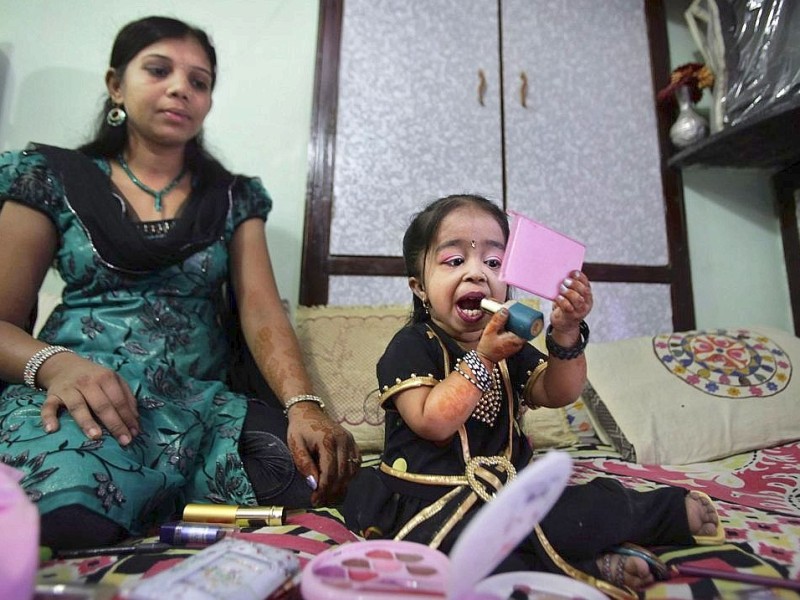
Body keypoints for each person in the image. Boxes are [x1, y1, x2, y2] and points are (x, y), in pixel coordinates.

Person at [0, 16, 360, 550]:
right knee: (69, 501)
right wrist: (57, 365)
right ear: (116, 85)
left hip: (199, 402)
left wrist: (303, 404)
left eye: (199, 81)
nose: (180, 89)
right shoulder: (52, 177)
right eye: (159, 70)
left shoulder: (232, 197)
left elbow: (260, 310)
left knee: (305, 475)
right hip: (83, 386)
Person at [342, 194, 720, 596]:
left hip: (509, 494)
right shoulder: (412, 345)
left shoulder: (510, 345)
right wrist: (481, 359)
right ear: (419, 287)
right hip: (432, 498)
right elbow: (433, 422)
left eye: (493, 263)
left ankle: (656, 514)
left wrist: (567, 333)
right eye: (455, 261)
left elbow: (559, 391)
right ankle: (590, 564)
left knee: (589, 508)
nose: (477, 274)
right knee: (464, 553)